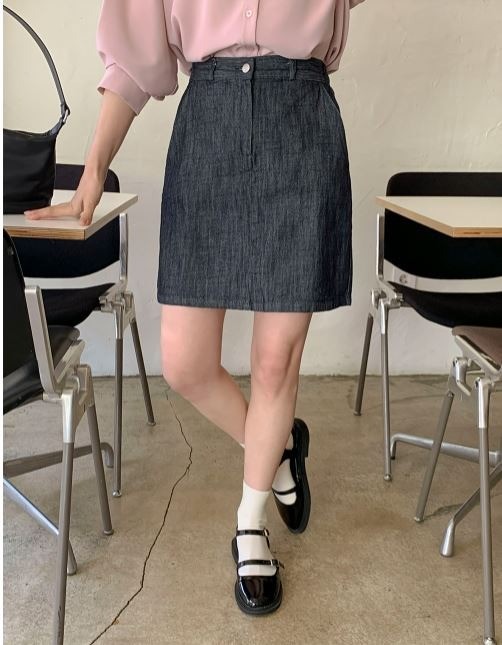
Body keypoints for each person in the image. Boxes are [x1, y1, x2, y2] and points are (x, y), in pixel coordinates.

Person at [24, 0, 365, 615]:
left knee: (275, 362)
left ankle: (250, 523)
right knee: (185, 364)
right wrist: (93, 170)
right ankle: (279, 452)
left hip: (302, 123)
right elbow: (133, 61)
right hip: (208, 125)